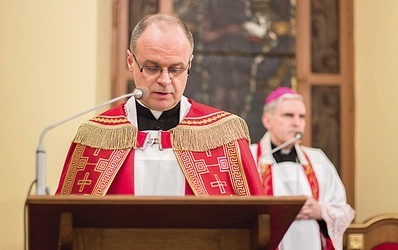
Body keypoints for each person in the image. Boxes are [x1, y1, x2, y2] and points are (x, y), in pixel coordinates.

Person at [55, 13, 264, 197]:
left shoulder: (224, 134)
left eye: (176, 69)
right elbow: (67, 227)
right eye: (152, 68)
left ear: (189, 64)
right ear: (130, 62)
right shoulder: (95, 137)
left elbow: (257, 223)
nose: (165, 80)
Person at [250, 87, 355, 250]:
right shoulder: (251, 158)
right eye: (288, 115)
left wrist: (320, 211)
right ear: (267, 120)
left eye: (302, 117)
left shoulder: (317, 160)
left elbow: (343, 211)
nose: (296, 123)